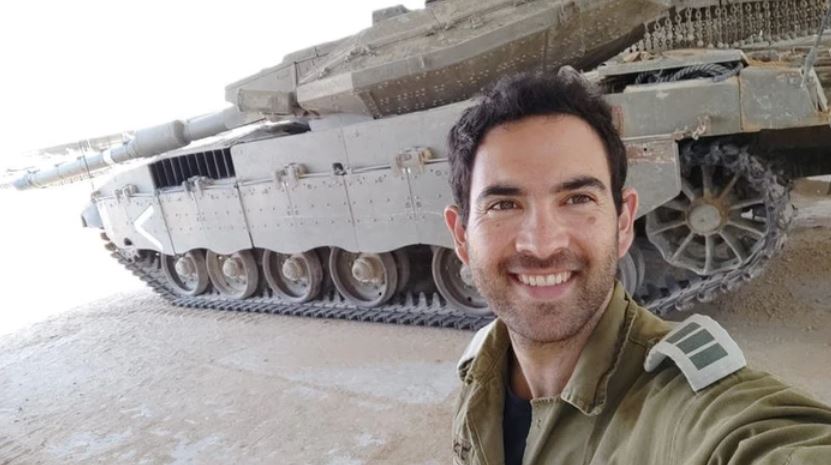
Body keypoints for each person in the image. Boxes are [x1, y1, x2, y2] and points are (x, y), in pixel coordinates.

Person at [442, 70, 831, 465]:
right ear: (461, 236)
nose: (542, 244)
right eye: (504, 205)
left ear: (624, 221)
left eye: (577, 198)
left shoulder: (687, 412)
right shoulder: (481, 370)